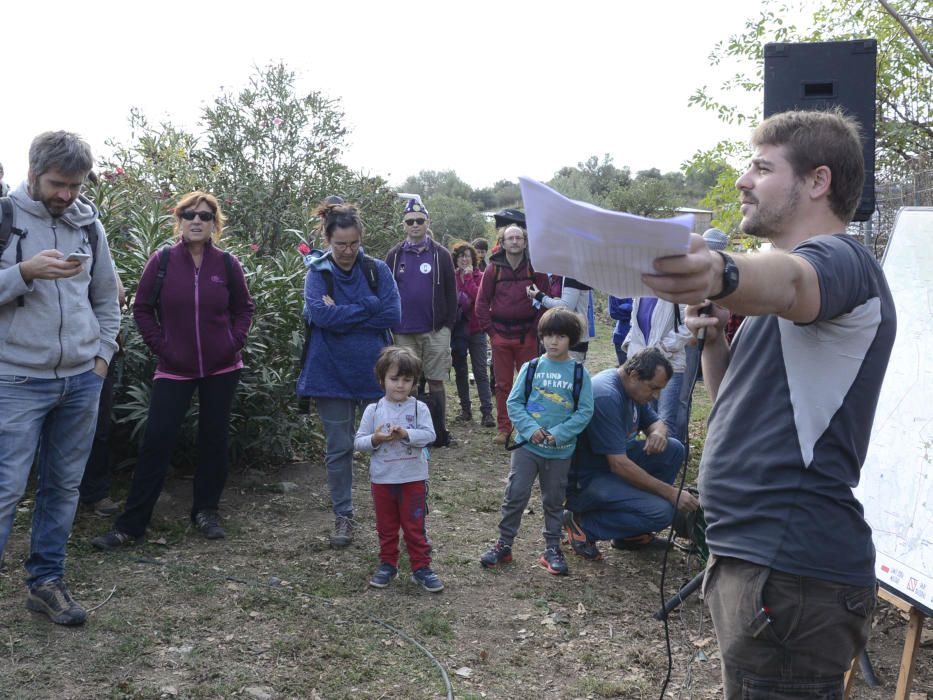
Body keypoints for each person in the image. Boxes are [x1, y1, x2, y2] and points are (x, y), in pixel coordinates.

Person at [643, 109, 896, 698]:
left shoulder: (841, 261)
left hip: (790, 573)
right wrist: (711, 338)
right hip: (762, 565)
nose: (742, 181)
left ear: (817, 181)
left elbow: (789, 280)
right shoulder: (777, 308)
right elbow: (732, 402)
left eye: (761, 167)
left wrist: (719, 270)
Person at [0, 131, 120, 625]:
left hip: (80, 380)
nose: (67, 195)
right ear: (32, 173)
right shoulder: (5, 219)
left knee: (64, 486)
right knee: (6, 487)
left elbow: (106, 297)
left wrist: (101, 358)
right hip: (16, 380)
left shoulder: (87, 224)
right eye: (57, 184)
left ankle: (46, 583)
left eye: (75, 185)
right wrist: (23, 272)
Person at [93, 192, 254, 550]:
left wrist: (233, 342)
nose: (196, 221)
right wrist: (163, 347)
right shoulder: (161, 261)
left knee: (214, 439)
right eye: (189, 215)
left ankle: (206, 511)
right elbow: (142, 310)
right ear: (179, 221)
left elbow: (244, 309)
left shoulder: (227, 264)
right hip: (174, 368)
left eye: (205, 215)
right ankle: (132, 525)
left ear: (215, 223)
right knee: (156, 441)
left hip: (222, 367)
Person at [297, 203, 401, 548]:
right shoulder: (318, 273)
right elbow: (320, 318)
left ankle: (394, 514)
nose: (347, 251)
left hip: (375, 372)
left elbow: (392, 314)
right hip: (329, 373)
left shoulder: (377, 270)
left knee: (387, 443)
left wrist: (342, 312)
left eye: (353, 243)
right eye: (340, 244)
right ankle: (344, 515)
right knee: (339, 447)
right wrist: (368, 306)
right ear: (327, 239)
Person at [479, 308, 593, 575]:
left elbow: (585, 411)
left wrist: (560, 434)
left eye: (561, 336)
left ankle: (552, 548)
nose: (553, 342)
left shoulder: (579, 373)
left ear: (572, 339)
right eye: (548, 335)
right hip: (527, 448)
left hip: (560, 451)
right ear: (541, 337)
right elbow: (514, 403)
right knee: (515, 494)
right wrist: (531, 430)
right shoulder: (531, 368)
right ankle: (504, 544)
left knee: (554, 500)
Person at [562, 348, 696, 561]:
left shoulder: (632, 390)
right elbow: (619, 465)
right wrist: (671, 493)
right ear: (634, 375)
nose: (656, 396)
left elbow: (657, 424)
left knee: (673, 449)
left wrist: (657, 433)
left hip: (609, 467)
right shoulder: (606, 395)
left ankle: (630, 533)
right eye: (654, 388)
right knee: (663, 511)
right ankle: (583, 525)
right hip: (586, 481)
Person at [354, 346, 444, 592]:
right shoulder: (373, 410)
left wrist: (406, 434)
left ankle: (421, 567)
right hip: (382, 480)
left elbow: (429, 435)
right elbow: (358, 441)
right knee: (386, 526)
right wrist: (376, 439)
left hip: (413, 478)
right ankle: (388, 564)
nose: (400, 385)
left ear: (415, 381)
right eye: (394, 379)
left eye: (407, 380)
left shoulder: (419, 408)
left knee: (415, 526)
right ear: (382, 379)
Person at [385, 200, 457, 446]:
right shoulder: (394, 256)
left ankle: (438, 431)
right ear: (403, 225)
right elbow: (387, 291)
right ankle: (410, 432)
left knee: (436, 380)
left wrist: (447, 325)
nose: (415, 225)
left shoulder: (441, 254)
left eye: (419, 220)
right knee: (407, 381)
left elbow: (451, 293)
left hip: (435, 329)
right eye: (410, 221)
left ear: (428, 223)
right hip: (404, 331)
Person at [475, 224, 549, 444]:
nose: (515, 241)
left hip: (528, 335)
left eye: (519, 238)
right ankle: (504, 428)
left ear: (525, 242)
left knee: (531, 384)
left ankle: (529, 427)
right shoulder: (493, 269)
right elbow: (481, 304)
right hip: (501, 336)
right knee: (503, 385)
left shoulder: (535, 267)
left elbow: (546, 300)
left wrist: (536, 330)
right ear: (503, 242)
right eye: (510, 238)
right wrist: (492, 334)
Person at [79, 273, 127, 518]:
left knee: (98, 426)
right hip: (38, 354)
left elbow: (118, 294)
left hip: (96, 350)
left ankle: (94, 493)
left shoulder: (91, 236)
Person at [622, 296, 693, 444]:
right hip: (645, 366)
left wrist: (664, 348)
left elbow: (689, 325)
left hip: (670, 365)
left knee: (666, 421)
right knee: (650, 420)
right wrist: (630, 345)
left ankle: (670, 461)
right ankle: (652, 461)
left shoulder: (677, 290)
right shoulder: (639, 292)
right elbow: (635, 325)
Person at [450, 241, 494, 426]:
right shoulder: (451, 277)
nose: (464, 259)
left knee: (480, 370)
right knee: (460, 370)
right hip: (457, 331)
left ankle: (487, 412)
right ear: (456, 259)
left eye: (468, 255)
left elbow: (479, 298)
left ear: (473, 258)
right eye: (461, 256)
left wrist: (468, 279)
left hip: (477, 330)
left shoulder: (480, 276)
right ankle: (465, 410)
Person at [527, 275, 595, 362]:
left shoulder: (572, 276)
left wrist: (540, 296)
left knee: (569, 373)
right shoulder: (560, 276)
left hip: (572, 336)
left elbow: (566, 306)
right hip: (561, 333)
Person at [608, 296, 633, 366]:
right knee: (625, 373)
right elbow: (614, 312)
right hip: (622, 336)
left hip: (644, 339)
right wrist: (633, 310)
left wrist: (629, 309)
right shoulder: (617, 288)